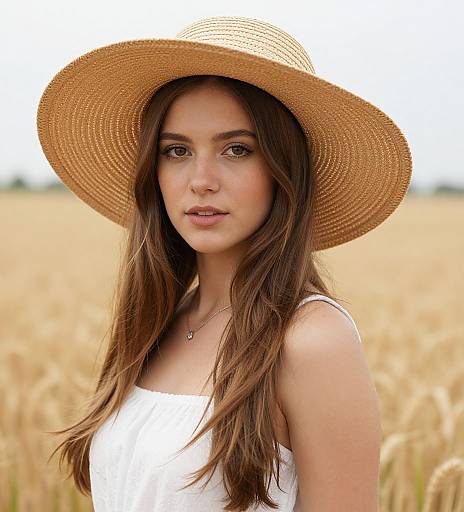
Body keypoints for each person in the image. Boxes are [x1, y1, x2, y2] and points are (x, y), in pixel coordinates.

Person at [36, 15, 412, 512]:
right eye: (176, 151)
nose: (201, 180)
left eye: (236, 149)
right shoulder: (157, 327)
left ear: (284, 170)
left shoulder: (311, 342)